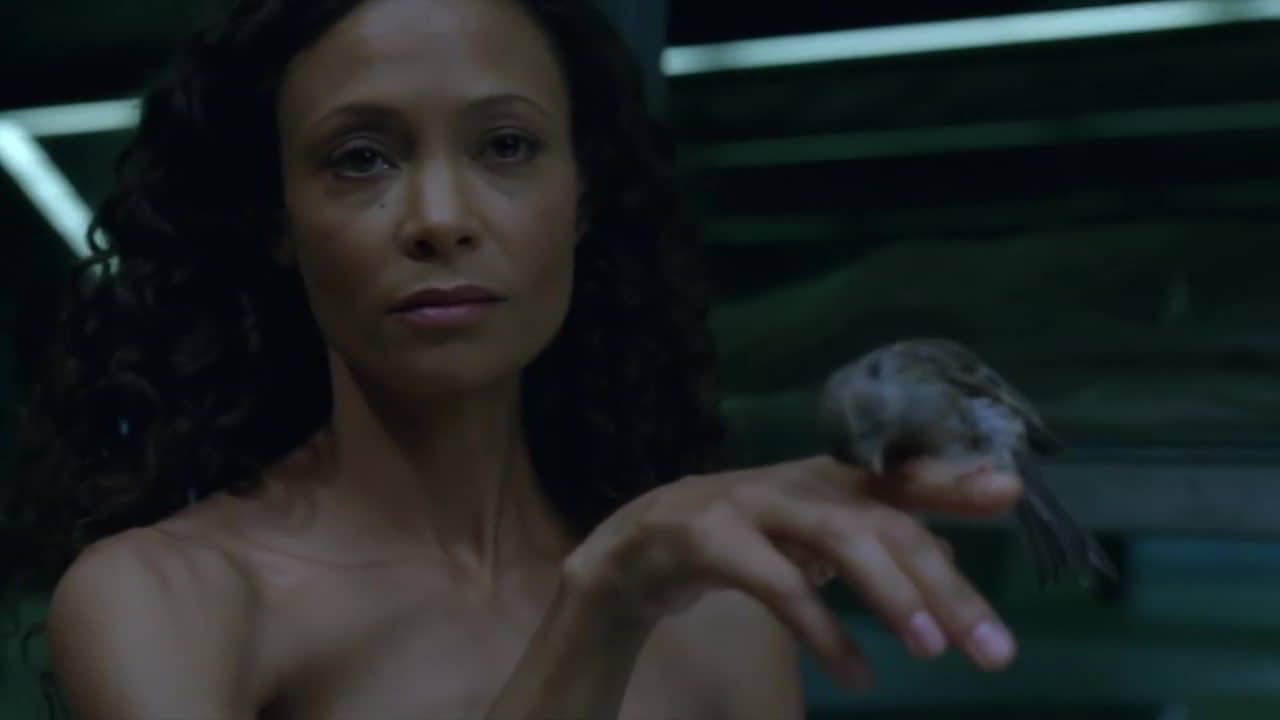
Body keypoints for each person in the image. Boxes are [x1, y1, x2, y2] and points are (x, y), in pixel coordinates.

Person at [9, 0, 1025, 718]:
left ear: (581, 197)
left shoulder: (719, 622)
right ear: (278, 220)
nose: (439, 218)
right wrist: (604, 605)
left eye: (504, 147)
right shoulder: (170, 598)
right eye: (360, 158)